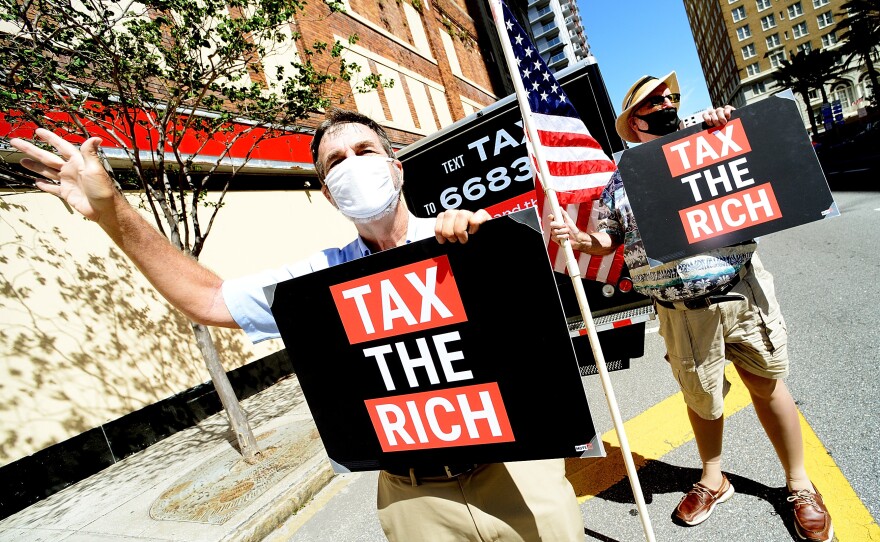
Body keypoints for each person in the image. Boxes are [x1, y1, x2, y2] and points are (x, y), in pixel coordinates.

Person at [10, 109, 585, 542]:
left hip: (518, 474)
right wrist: (114, 211)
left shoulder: (464, 236)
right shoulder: (318, 283)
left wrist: (483, 253)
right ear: (327, 191)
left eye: (364, 150)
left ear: (396, 168)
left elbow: (538, 317)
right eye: (335, 163)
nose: (352, 166)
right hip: (414, 501)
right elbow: (208, 300)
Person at [548, 72, 833, 542]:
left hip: (740, 291)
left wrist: (729, 126)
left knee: (767, 384)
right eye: (653, 102)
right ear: (633, 120)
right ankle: (714, 478)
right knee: (702, 400)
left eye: (669, 98)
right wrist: (584, 240)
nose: (666, 105)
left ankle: (799, 483)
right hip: (680, 311)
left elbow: (759, 164)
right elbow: (609, 236)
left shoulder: (708, 139)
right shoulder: (623, 178)